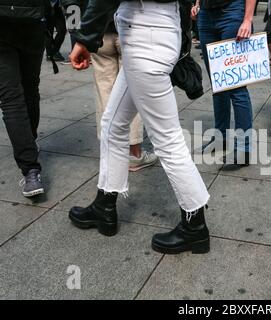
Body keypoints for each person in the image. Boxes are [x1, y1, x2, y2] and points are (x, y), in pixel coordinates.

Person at [68, 0, 211, 255]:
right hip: (153, 32)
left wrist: (85, 39)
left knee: (167, 140)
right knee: (113, 124)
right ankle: (105, 205)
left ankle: (195, 225)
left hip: (145, 36)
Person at [192, 0, 256, 170]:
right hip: (206, 15)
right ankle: (221, 138)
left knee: (236, 87)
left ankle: (244, 148)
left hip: (232, 13)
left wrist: (247, 19)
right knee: (218, 84)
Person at [90, 21, 158, 172]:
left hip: (100, 27)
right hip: (130, 27)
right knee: (132, 92)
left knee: (104, 90)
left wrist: (81, 34)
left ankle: (111, 152)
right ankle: (134, 154)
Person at [0, 0, 51, 197]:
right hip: (32, 20)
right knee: (29, 89)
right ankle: (30, 143)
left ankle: (31, 169)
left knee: (10, 99)